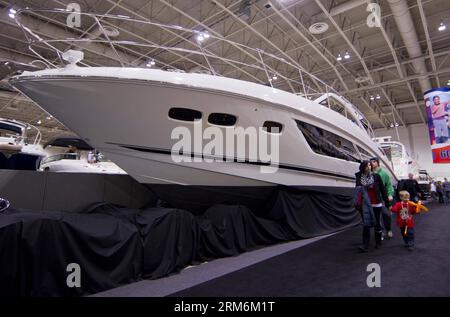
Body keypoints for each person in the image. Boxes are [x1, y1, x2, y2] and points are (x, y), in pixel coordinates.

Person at [354, 160, 389, 253]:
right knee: (366, 224)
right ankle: (365, 245)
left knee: (377, 223)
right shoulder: (359, 177)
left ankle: (378, 242)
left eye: (370, 165)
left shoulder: (376, 176)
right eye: (367, 165)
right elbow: (357, 191)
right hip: (365, 204)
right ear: (363, 167)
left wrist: (387, 202)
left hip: (376, 203)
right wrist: (357, 203)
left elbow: (382, 189)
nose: (369, 166)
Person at [370, 157, 394, 238]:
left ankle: (389, 229)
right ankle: (381, 232)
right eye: (371, 162)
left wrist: (390, 194)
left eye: (373, 162)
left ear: (377, 162)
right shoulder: (369, 174)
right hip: (373, 199)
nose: (372, 163)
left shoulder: (384, 173)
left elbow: (389, 185)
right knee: (377, 217)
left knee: (386, 214)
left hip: (382, 198)